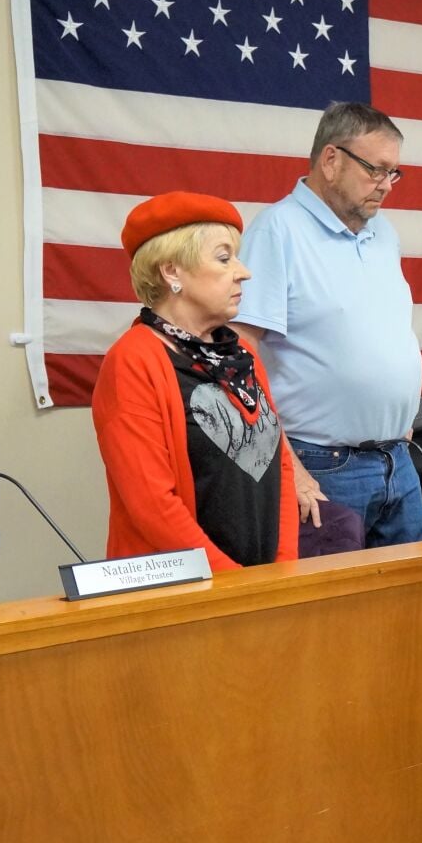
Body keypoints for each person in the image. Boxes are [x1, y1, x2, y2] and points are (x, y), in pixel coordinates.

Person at [232, 101, 422, 548]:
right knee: (335, 616)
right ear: (331, 159)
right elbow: (241, 357)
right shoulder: (277, 231)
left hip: (396, 456)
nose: (387, 186)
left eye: (394, 173)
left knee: (415, 609)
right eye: (376, 170)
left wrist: (394, 408)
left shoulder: (384, 234)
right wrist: (288, 465)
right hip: (320, 466)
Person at [92, 192, 298, 570]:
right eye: (224, 258)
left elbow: (279, 467)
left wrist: (282, 571)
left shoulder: (243, 357)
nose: (244, 271)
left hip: (263, 591)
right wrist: (232, 584)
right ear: (172, 272)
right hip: (184, 599)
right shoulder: (132, 362)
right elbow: (152, 505)